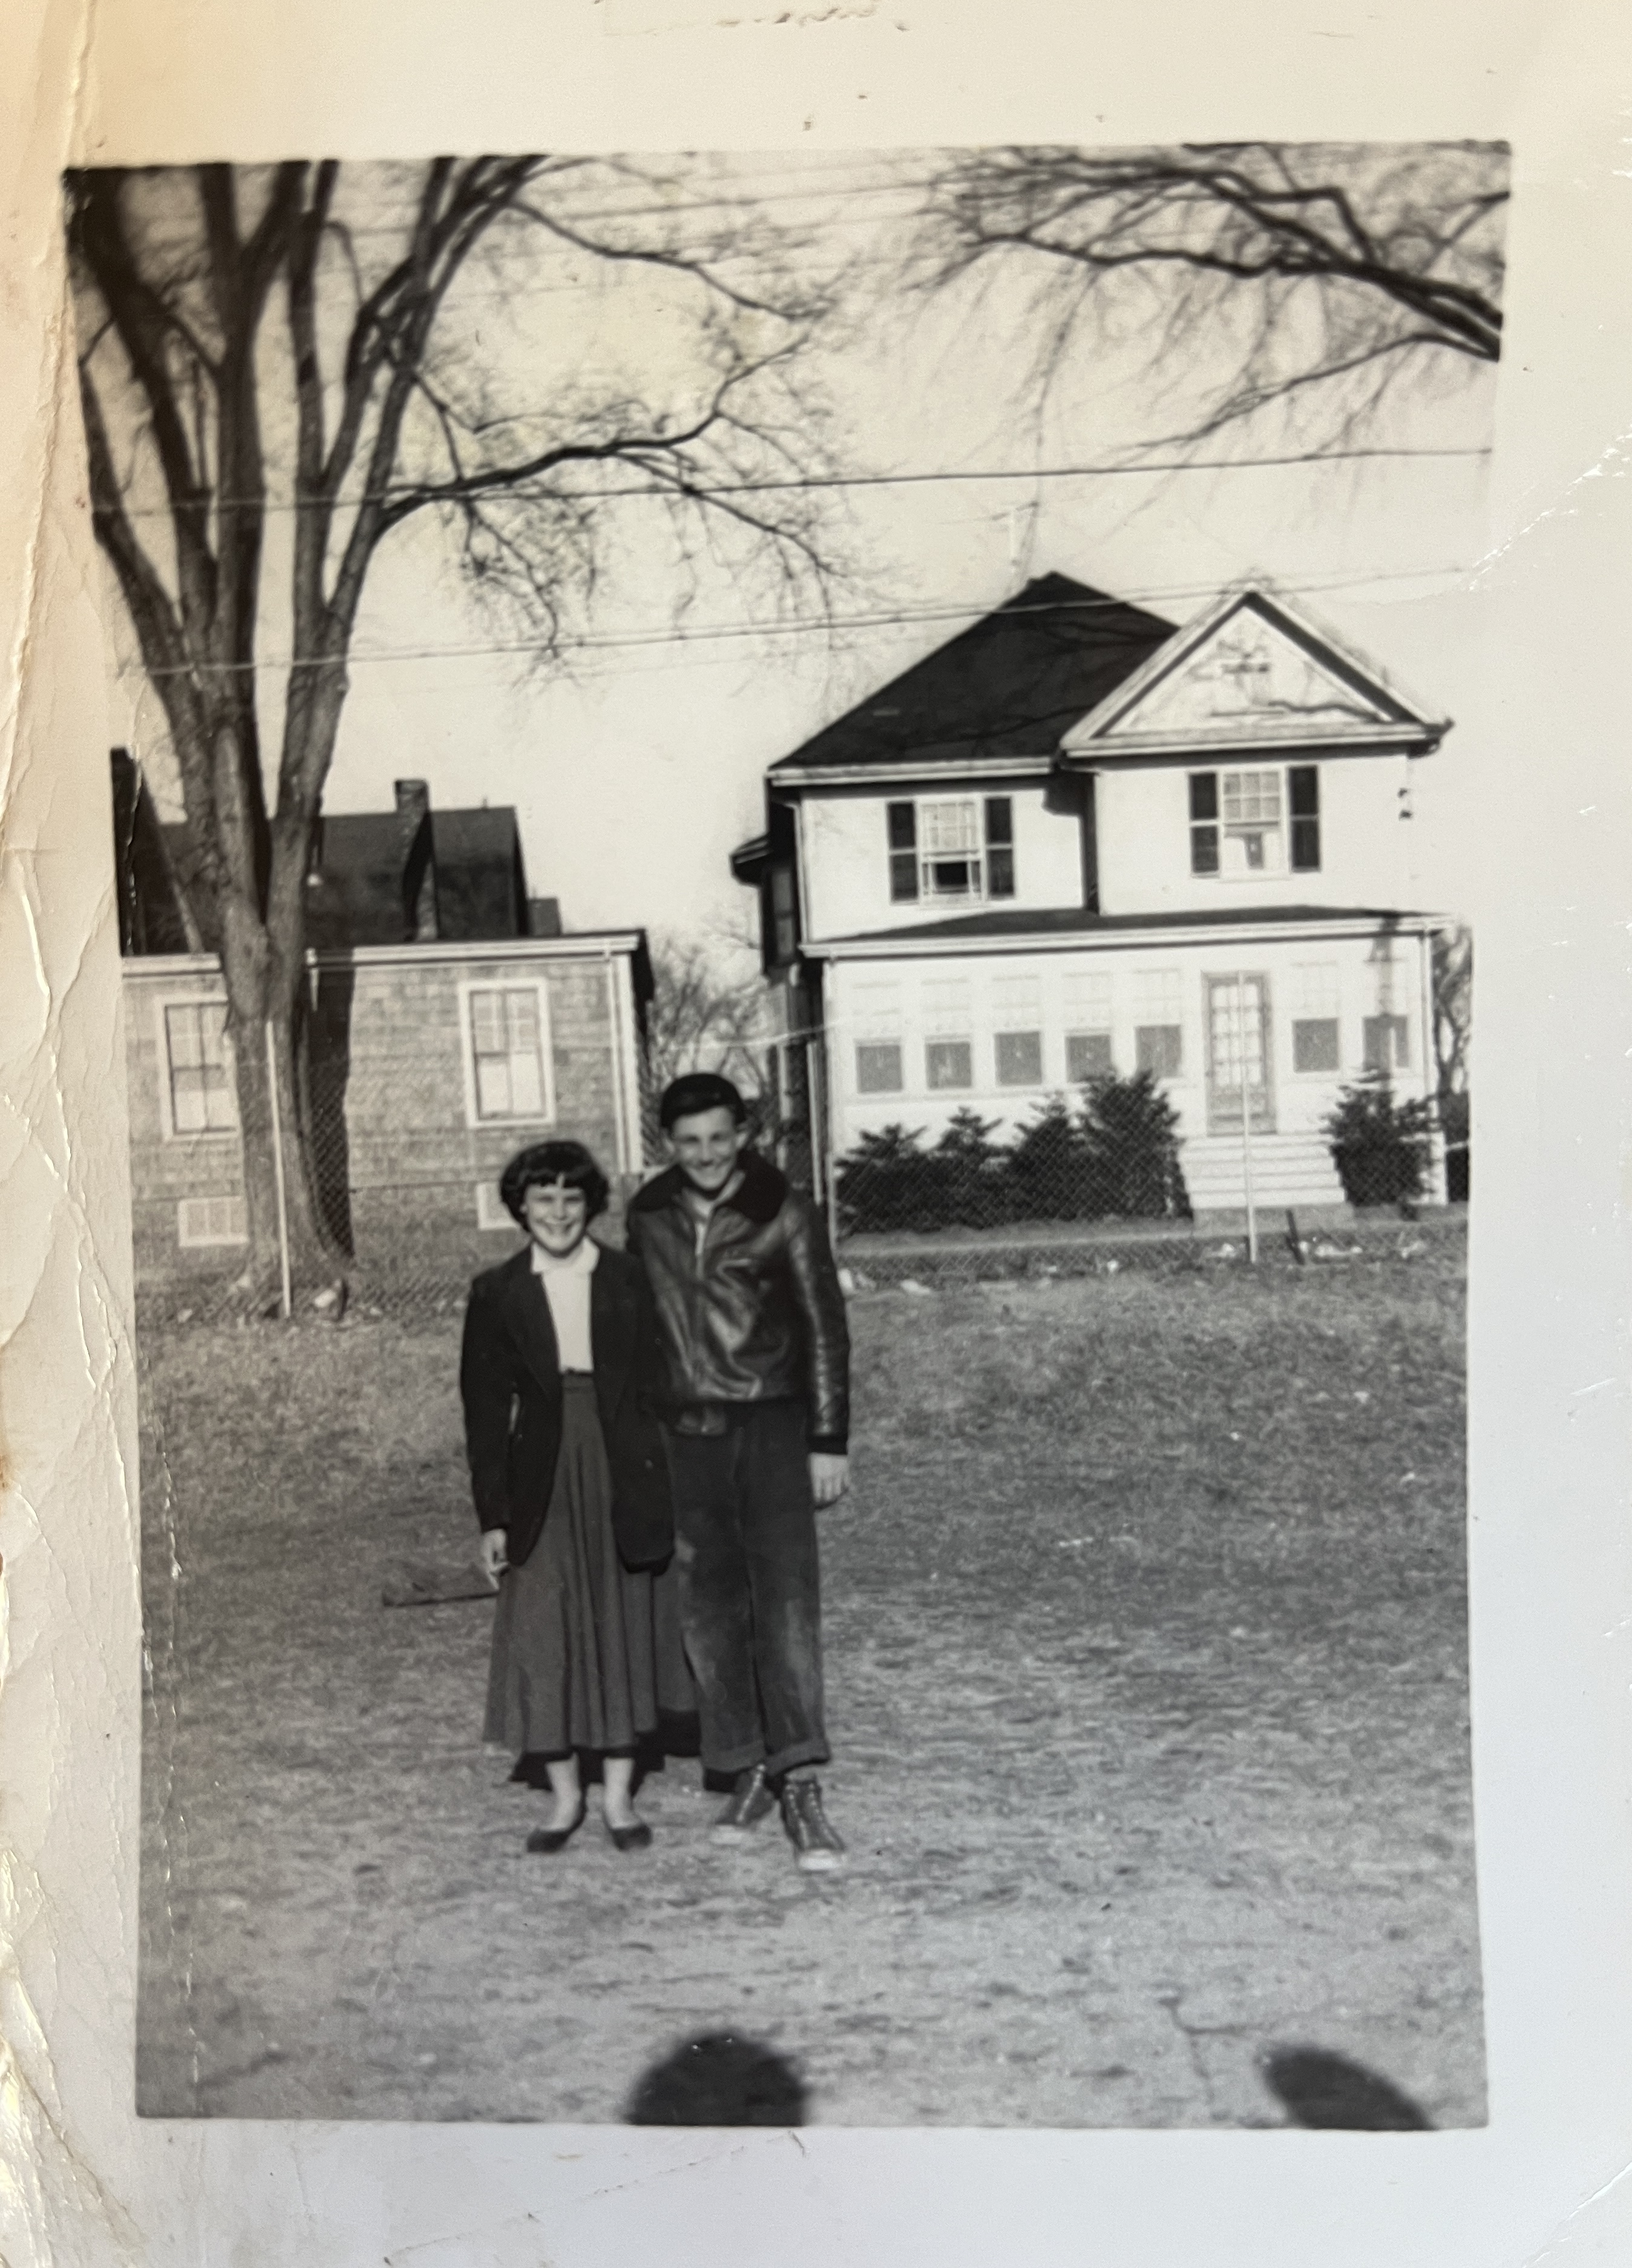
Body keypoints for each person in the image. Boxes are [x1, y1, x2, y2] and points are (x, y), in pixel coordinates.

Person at [626, 1072, 851, 1873]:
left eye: (720, 1138)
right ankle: (747, 1765)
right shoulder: (647, 1213)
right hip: (686, 1435)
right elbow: (640, 1330)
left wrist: (828, 1438)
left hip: (772, 1427)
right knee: (709, 1613)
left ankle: (799, 1779)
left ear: (743, 1134)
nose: (707, 1155)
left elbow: (825, 1325)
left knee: (784, 1604)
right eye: (689, 1142)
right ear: (666, 1145)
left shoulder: (782, 1206)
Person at [460, 1139, 691, 1854]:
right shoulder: (497, 1291)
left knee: (621, 1617)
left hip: (624, 1462)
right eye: (542, 1199)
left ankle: (619, 1798)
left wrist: (672, 1484)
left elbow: (668, 1385)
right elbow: (484, 1409)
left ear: (590, 1205)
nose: (558, 1213)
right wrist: (494, 1517)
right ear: (520, 1208)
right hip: (544, 1473)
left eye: (571, 1198)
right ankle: (564, 1800)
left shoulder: (629, 1279)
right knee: (544, 1620)